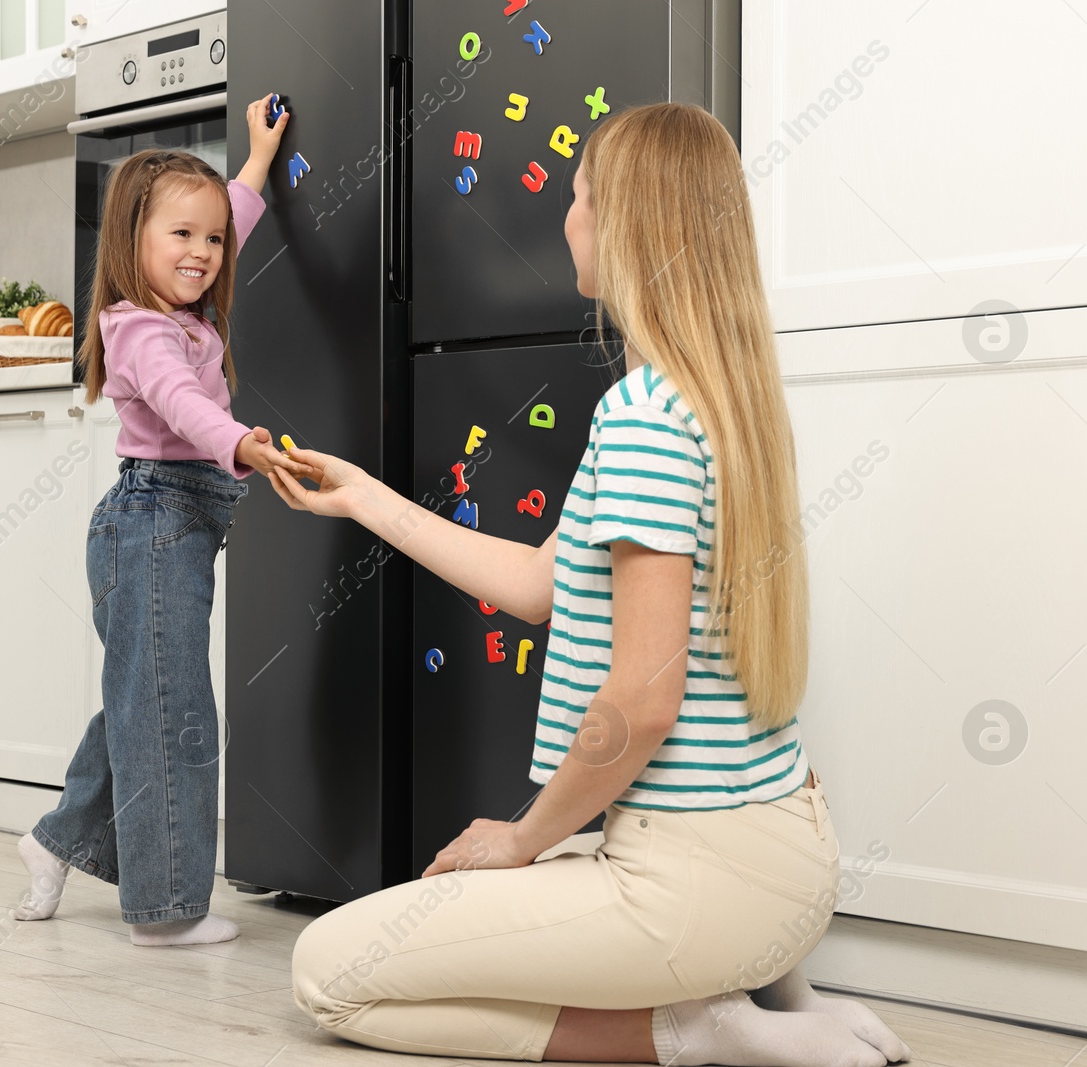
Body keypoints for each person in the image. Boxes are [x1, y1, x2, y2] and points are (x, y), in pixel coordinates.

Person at [266, 103, 912, 1064]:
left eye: (577, 197)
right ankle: (766, 989)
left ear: (624, 224)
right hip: (786, 854)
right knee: (519, 887)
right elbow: (536, 583)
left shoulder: (643, 415)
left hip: (694, 879)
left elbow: (644, 700)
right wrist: (364, 498)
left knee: (329, 971)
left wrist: (523, 837)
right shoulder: (721, 402)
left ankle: (704, 1028)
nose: (565, 218)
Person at [12, 94, 304, 947]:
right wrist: (243, 444)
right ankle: (166, 908)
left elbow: (237, 211)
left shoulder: (184, 310)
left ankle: (56, 837)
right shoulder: (143, 332)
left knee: (145, 695)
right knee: (170, 706)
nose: (205, 253)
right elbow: (182, 408)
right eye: (181, 236)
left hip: (170, 521)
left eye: (212, 240)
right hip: (154, 518)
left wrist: (254, 159)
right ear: (131, 241)